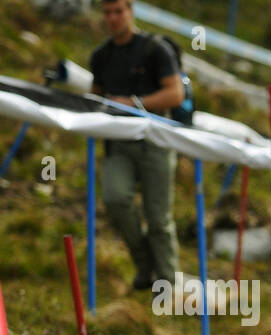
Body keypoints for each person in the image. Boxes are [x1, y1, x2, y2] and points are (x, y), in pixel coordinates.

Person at [89, 0, 184, 291]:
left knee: (158, 218)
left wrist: (133, 104)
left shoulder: (156, 49)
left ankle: (167, 281)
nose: (113, 18)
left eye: (118, 11)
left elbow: (175, 94)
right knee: (116, 199)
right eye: (107, 13)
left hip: (155, 142)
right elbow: (96, 96)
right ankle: (144, 266)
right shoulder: (101, 56)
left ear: (130, 11)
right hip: (118, 144)